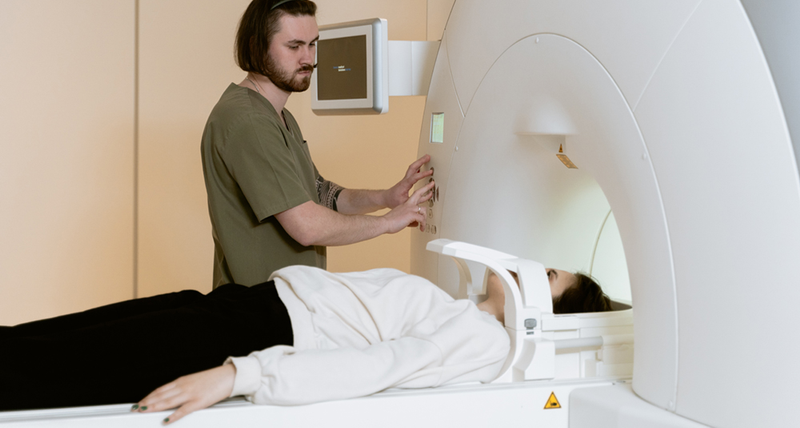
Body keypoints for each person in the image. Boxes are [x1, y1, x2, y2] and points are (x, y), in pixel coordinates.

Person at [0, 265, 610, 423]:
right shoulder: (465, 308)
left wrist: (239, 375)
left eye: (547, 275)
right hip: (247, 306)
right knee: (52, 339)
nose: (528, 267)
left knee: (58, 365)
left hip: (257, 335)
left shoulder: (483, 341)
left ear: (547, 312)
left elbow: (378, 365)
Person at [201, 0, 434, 287]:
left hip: (292, 300)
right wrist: (388, 223)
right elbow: (307, 226)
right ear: (257, 48)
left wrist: (385, 198)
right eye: (294, 46)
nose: (308, 58)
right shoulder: (250, 121)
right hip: (261, 305)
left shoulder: (279, 116)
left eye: (312, 44)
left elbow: (321, 193)